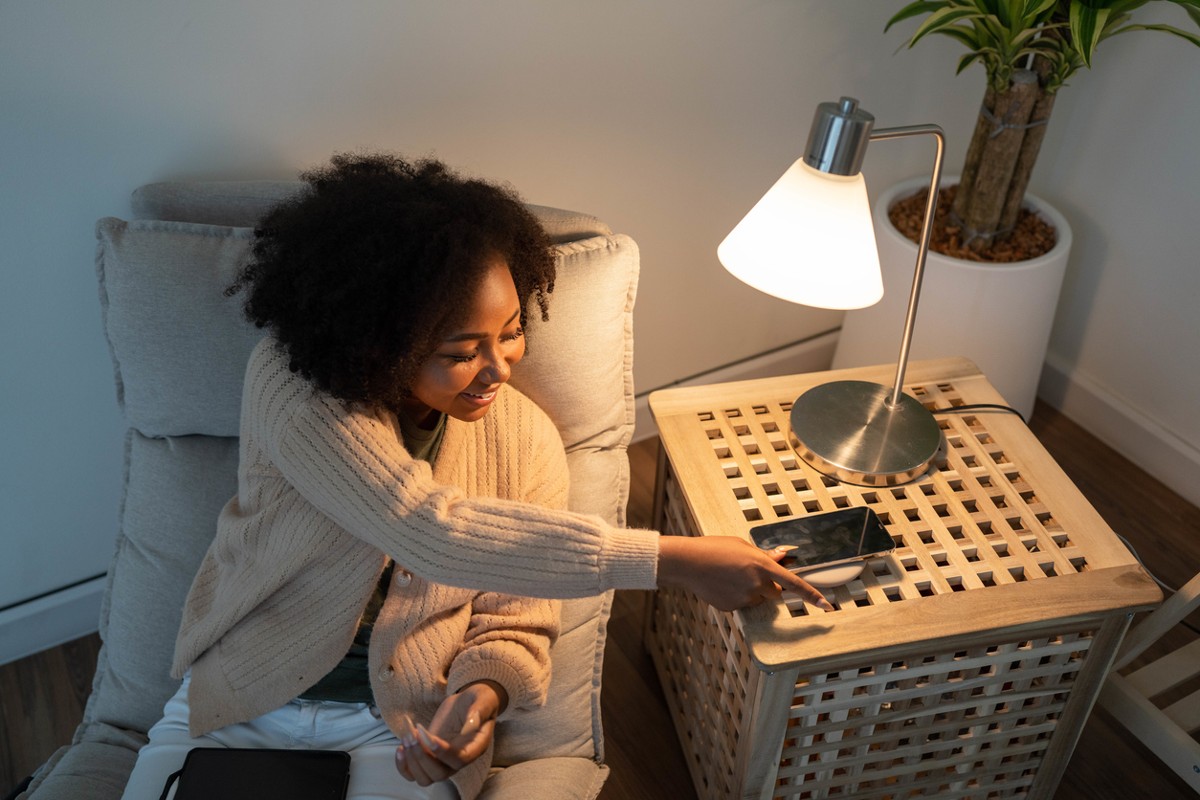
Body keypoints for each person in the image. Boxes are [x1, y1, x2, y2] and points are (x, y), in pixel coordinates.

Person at [120, 153, 829, 800]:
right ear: (380, 342)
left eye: (513, 330)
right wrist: (672, 561)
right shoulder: (296, 386)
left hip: (398, 732)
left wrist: (476, 699)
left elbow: (517, 617)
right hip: (242, 702)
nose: (500, 368)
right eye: (463, 351)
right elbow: (426, 527)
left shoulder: (524, 438)